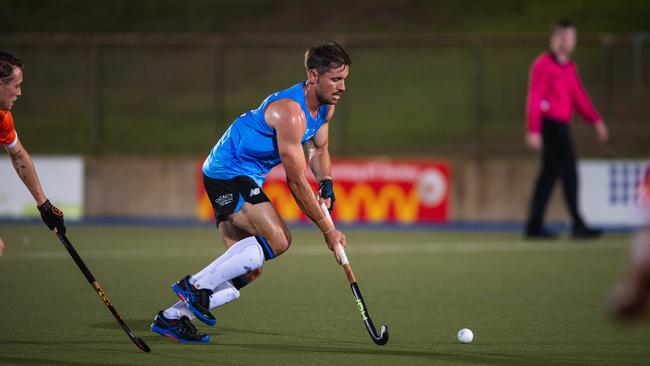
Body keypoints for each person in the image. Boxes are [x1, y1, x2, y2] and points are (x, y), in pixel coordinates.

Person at [150, 42, 349, 343]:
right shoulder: (289, 112)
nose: (342, 87)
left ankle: (172, 318)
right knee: (279, 240)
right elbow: (295, 181)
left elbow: (320, 149)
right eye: (336, 79)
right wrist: (327, 230)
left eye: (344, 79)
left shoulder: (325, 108)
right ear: (313, 76)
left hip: (244, 174)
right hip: (227, 171)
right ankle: (194, 285)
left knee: (249, 268)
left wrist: (327, 181)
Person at [524, 20, 609, 239]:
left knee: (549, 175)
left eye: (569, 37)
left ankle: (534, 225)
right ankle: (578, 224)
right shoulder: (543, 65)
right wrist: (534, 129)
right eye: (561, 36)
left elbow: (579, 97)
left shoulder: (569, 68)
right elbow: (535, 97)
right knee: (569, 171)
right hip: (550, 126)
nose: (565, 41)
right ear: (553, 39)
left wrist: (595, 120)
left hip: (561, 124)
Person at [0, 51, 66, 244]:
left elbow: (18, 155)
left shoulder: (2, 118)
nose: (19, 93)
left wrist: (44, 205)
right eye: (16, 86)